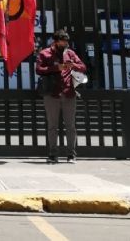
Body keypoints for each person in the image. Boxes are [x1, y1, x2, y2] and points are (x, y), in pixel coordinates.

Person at [35, 29, 87, 164]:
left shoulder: (70, 53)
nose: (65, 43)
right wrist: (55, 68)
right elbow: (39, 69)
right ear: (56, 41)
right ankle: (53, 154)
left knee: (70, 126)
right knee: (52, 126)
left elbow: (83, 67)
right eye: (63, 41)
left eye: (67, 41)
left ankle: (71, 155)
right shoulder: (44, 53)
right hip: (52, 93)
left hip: (69, 92)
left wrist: (73, 65)